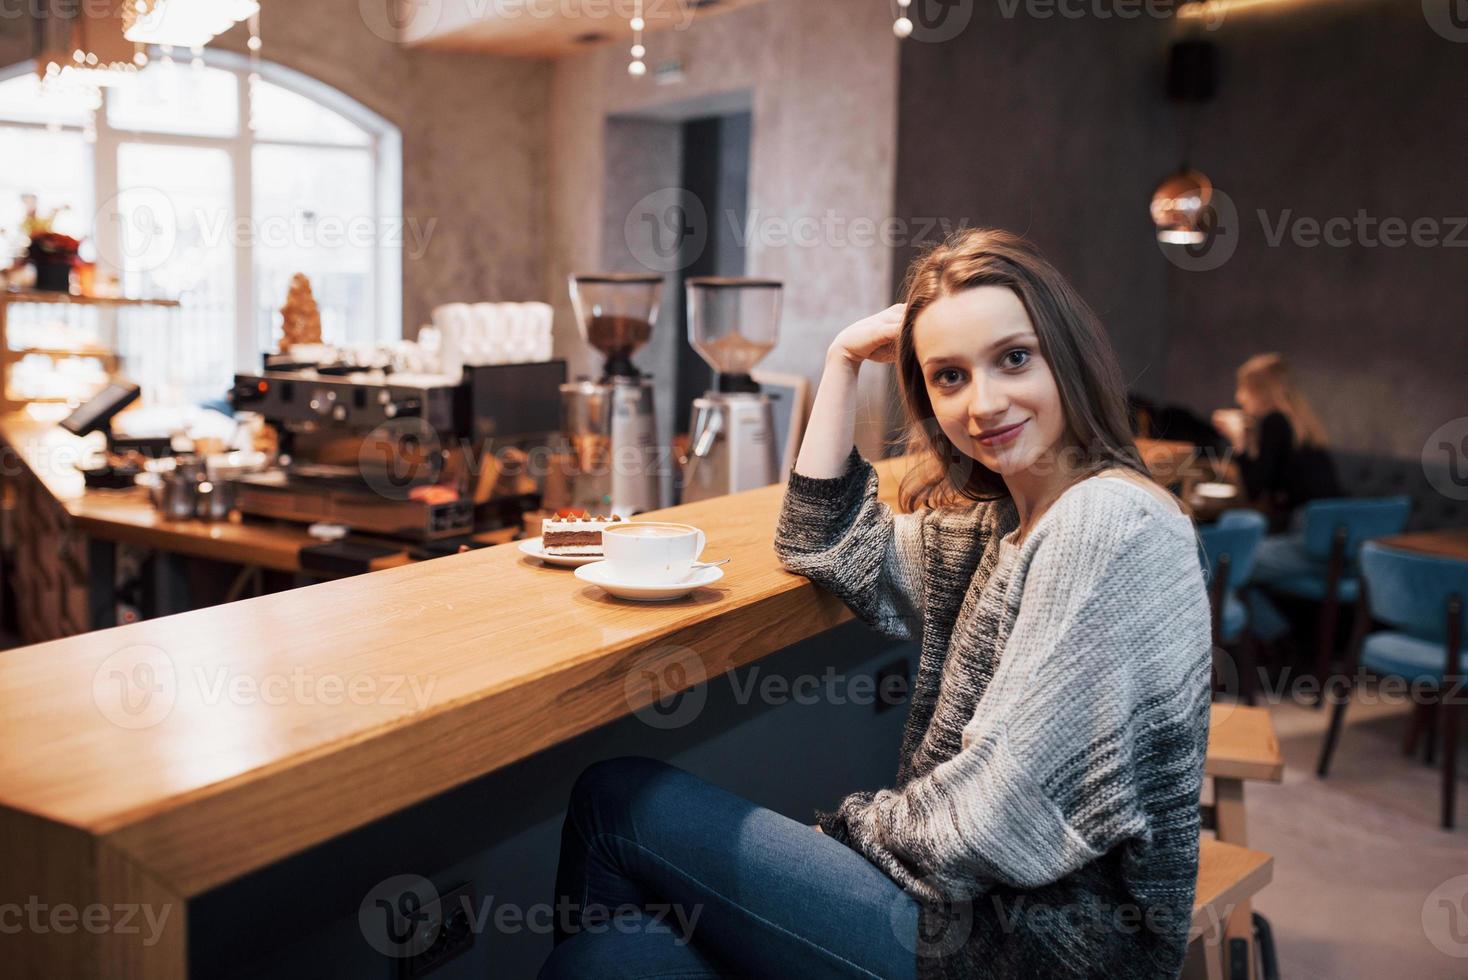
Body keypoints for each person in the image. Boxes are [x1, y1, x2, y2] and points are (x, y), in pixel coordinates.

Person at [540, 229, 1212, 979]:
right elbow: (821, 541)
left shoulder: (1109, 523)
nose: (984, 404)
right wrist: (843, 359)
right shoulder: (1001, 531)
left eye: (1014, 359)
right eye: (949, 377)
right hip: (959, 917)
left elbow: (1000, 817)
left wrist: (847, 832)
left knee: (615, 802)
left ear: (1068, 355)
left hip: (1016, 950)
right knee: (611, 959)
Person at [1211, 352, 1341, 532]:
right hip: (1329, 525)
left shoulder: (1275, 421)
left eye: (1243, 388)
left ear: (1261, 392)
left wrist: (1237, 440)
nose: (1239, 398)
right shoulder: (1298, 423)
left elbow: (1254, 490)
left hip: (1306, 527)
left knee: (1243, 549)